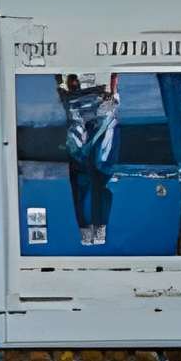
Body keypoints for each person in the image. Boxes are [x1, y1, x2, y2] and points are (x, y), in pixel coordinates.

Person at [60, 73, 119, 250]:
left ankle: (92, 228)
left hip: (85, 101)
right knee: (98, 170)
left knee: (89, 173)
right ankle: (93, 228)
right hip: (96, 102)